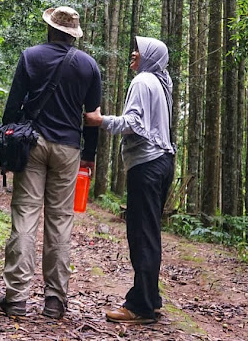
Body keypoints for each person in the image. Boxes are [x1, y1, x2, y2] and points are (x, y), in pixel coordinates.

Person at [0, 6, 102, 320]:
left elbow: (13, 106)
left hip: (32, 145)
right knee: (59, 223)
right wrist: (89, 156)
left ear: (50, 29)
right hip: (69, 149)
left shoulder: (30, 56)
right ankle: (55, 301)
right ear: (73, 34)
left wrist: (7, 145)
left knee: (26, 218)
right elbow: (92, 119)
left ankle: (16, 298)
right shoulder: (89, 65)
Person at [84, 36, 175, 325]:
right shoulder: (162, 84)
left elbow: (134, 124)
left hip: (146, 165)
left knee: (141, 235)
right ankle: (150, 299)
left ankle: (140, 307)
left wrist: (100, 121)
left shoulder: (142, 82)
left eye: (139, 50)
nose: (133, 53)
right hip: (163, 163)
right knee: (150, 233)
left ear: (150, 57)